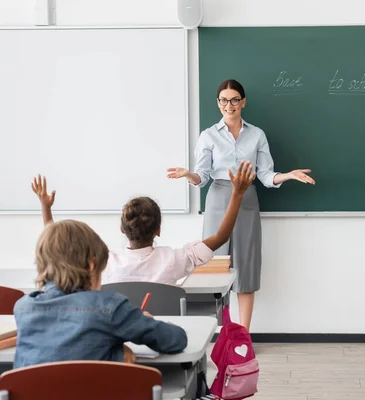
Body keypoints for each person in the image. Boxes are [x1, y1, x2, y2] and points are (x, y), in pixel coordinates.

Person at [167, 79, 315, 330]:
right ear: (218, 103)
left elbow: (266, 175)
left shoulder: (257, 135)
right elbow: (201, 178)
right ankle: (222, 332)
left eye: (234, 99)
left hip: (246, 198)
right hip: (218, 199)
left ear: (243, 102)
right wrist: (188, 174)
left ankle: (243, 334)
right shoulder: (208, 136)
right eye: (223, 100)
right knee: (215, 265)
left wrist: (287, 175)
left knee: (246, 266)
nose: (229, 105)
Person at [31, 161, 255, 285]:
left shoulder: (105, 263)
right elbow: (221, 238)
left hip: (120, 346)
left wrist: (46, 208)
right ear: (158, 230)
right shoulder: (174, 259)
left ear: (122, 228)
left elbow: (59, 248)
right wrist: (236, 195)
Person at [13, 218, 187, 369]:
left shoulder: (24, 308)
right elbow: (176, 340)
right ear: (92, 266)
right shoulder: (108, 307)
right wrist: (121, 347)